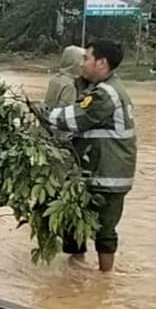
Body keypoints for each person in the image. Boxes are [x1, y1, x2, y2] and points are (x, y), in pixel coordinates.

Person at [44, 40, 137, 272]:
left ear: (102, 63)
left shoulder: (106, 94)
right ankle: (79, 278)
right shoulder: (98, 89)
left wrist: (44, 114)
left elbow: (76, 118)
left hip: (108, 176)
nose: (82, 63)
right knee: (75, 225)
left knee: (104, 232)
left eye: (86, 58)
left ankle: (105, 281)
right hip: (92, 172)